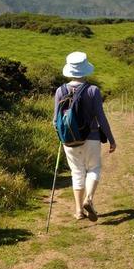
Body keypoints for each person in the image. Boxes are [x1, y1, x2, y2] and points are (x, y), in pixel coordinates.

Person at [53, 51, 116, 221]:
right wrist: (111, 139)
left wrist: (62, 136)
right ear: (85, 69)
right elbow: (101, 118)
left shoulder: (60, 90)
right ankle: (89, 199)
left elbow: (55, 120)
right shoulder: (93, 90)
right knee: (93, 169)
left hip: (69, 139)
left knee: (77, 172)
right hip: (92, 137)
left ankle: (79, 211)